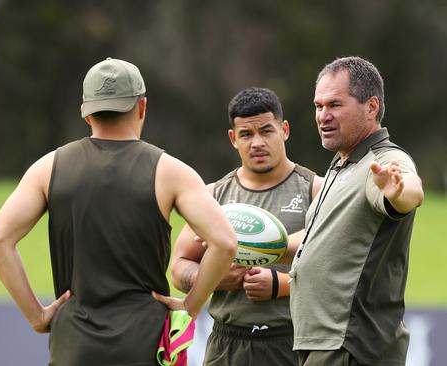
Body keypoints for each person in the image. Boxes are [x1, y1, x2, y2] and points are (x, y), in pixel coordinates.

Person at [0, 57, 237, 365]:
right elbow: (224, 242)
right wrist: (190, 306)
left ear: (87, 114)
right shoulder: (171, 172)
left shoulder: (47, 168)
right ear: (142, 107)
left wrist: (37, 316)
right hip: (144, 345)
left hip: (72, 346)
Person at [170, 87, 322, 366]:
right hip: (227, 345)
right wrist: (212, 275)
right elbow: (178, 269)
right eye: (246, 134)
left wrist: (281, 285)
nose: (257, 143)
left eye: (266, 131)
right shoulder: (213, 195)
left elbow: (338, 269)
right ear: (233, 138)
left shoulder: (315, 190)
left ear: (284, 130)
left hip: (294, 343)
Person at [289, 56, 424, 366]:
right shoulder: (343, 164)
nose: (323, 116)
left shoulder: (383, 160)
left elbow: (410, 189)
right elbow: (316, 243)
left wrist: (401, 191)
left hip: (350, 346)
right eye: (318, 106)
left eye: (335, 105)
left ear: (371, 107)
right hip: (325, 343)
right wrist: (256, 246)